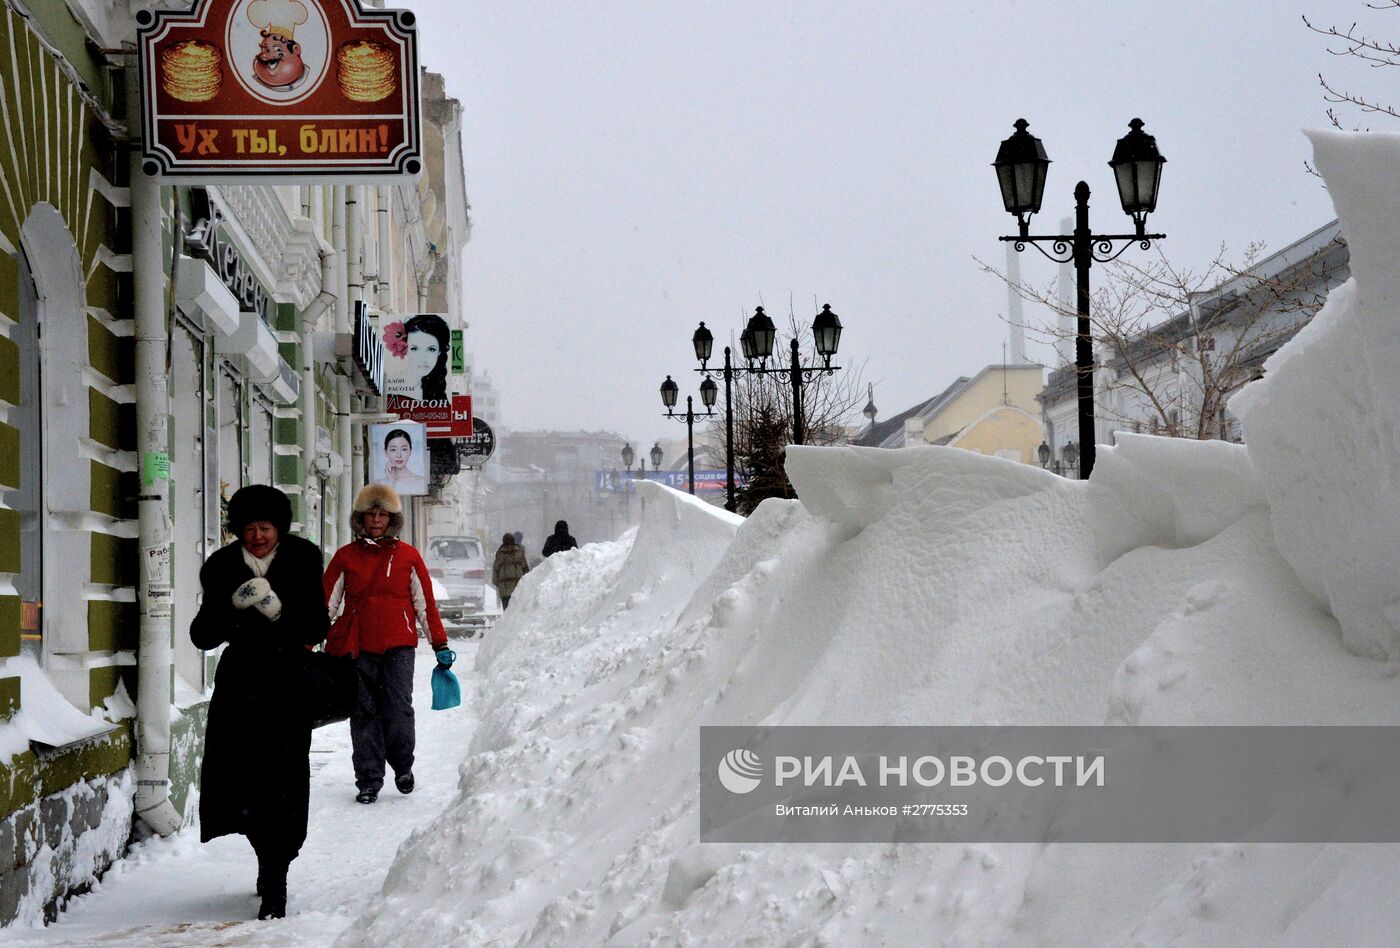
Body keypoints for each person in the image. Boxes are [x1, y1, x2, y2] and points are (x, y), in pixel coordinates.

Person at [189, 484, 330, 920]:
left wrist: (278, 611)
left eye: (265, 527)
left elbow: (317, 628)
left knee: (284, 782)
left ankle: (276, 874)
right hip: (241, 691)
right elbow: (202, 636)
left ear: (279, 528)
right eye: (248, 527)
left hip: (289, 686)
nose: (257, 536)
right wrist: (232, 608)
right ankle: (264, 855)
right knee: (244, 782)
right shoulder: (221, 567)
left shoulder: (304, 559)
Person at [323, 484, 451, 805]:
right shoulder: (345, 557)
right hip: (358, 645)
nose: (377, 520)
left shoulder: (408, 556)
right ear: (361, 518)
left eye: (382, 514)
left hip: (398, 645)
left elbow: (425, 604)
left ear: (391, 518)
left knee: (398, 708)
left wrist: (440, 643)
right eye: (371, 514)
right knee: (364, 713)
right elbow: (324, 604)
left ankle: (403, 766)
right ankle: (368, 779)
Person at [402, 313, 451, 402]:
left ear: (439, 351)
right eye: (414, 349)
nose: (422, 359)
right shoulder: (391, 385)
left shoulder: (439, 389)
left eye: (431, 349)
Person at [380, 427, 427, 495]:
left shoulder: (421, 482)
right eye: (393, 449)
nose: (399, 455)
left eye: (404, 449)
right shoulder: (378, 483)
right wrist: (391, 482)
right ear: (385, 452)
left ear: (410, 451)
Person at [492, 532, 530, 608]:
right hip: (517, 587)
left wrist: (498, 583)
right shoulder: (519, 552)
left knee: (507, 611)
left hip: (504, 588)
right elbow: (525, 569)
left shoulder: (500, 554)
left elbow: (496, 569)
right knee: (516, 611)